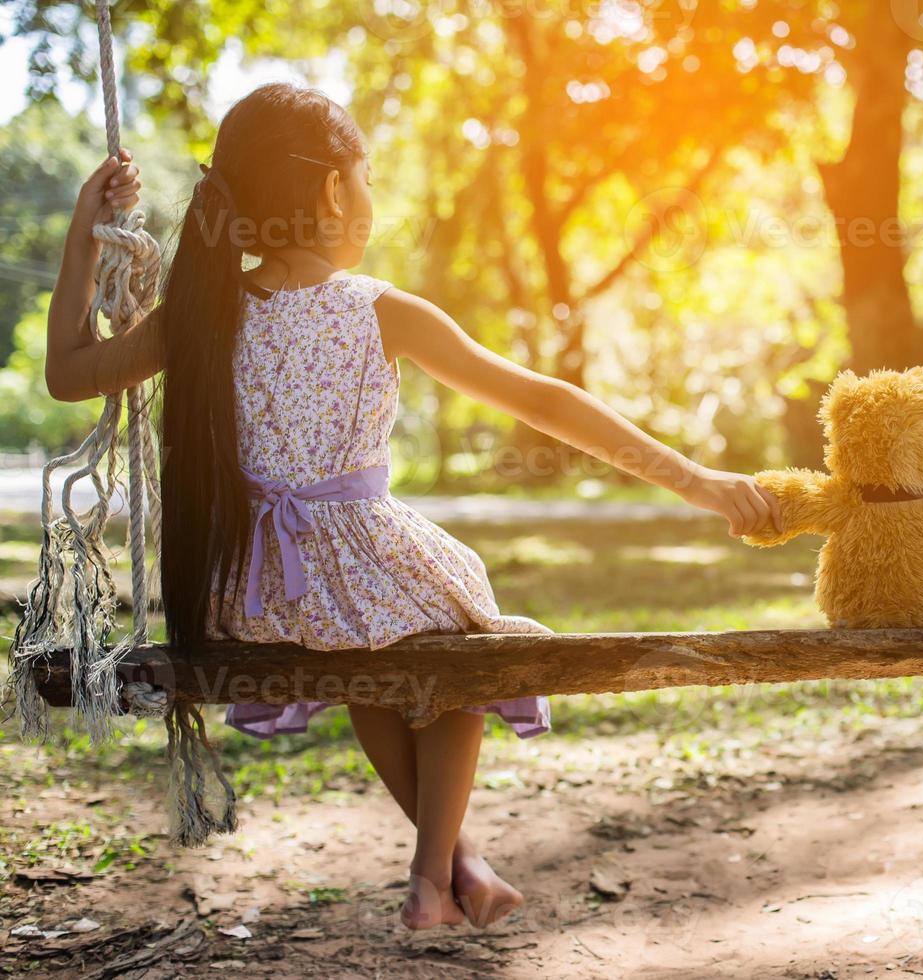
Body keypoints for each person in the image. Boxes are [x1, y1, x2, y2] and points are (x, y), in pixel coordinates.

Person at [44, 82, 781, 930]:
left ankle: (463, 864)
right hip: (343, 575)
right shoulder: (377, 310)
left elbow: (69, 372)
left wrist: (81, 235)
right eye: (364, 181)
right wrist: (699, 481)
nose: (368, 202)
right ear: (330, 191)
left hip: (249, 587)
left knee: (375, 646)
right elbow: (545, 402)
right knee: (461, 629)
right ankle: (431, 877)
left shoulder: (202, 315)